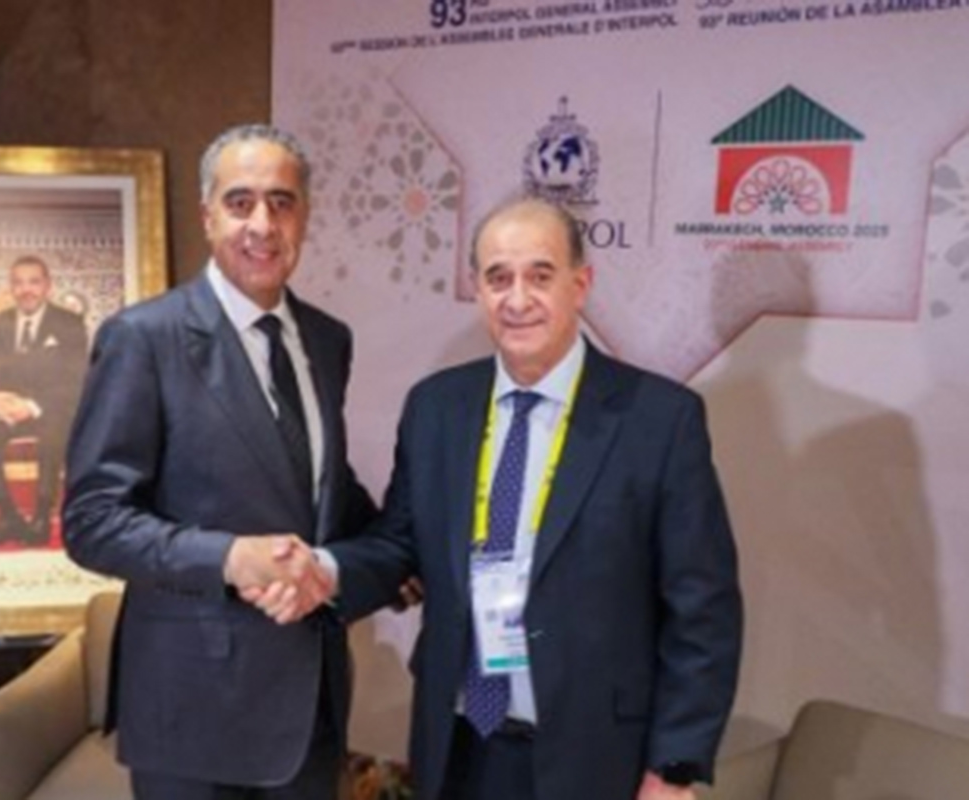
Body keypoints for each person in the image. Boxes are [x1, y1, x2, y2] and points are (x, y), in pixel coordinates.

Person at [256, 197, 743, 800]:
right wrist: (324, 572)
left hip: (595, 757)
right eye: (498, 278)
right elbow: (399, 543)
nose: (517, 299)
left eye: (540, 276)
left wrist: (673, 769)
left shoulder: (659, 421)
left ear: (580, 284)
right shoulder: (437, 408)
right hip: (462, 745)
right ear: (479, 289)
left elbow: (703, 609)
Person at [61, 124, 386, 800]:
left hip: (311, 704)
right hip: (191, 710)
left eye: (281, 202)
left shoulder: (328, 340)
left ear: (304, 217)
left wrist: (397, 553)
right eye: (240, 203)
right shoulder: (142, 338)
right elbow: (92, 522)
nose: (262, 224)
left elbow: (317, 486)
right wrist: (231, 558)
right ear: (208, 215)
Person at [0, 255, 87, 546]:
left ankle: (41, 514)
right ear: (11, 287)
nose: (26, 290)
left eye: (34, 282)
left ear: (47, 286)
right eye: (18, 283)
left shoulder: (69, 324)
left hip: (49, 409)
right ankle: (7, 516)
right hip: (7, 409)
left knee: (55, 431)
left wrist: (31, 407)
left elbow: (76, 379)